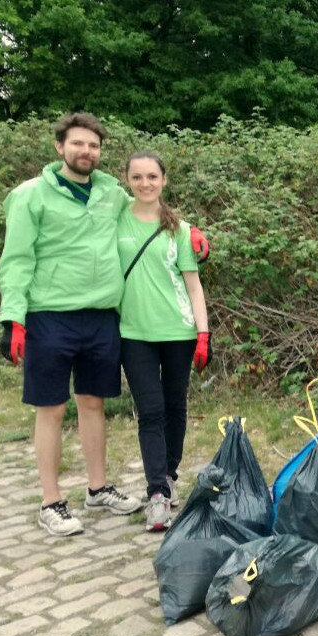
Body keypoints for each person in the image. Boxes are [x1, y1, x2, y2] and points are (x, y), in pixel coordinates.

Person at [0, 112, 143, 536]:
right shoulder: (30, 196)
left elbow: (146, 211)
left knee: (94, 403)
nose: (86, 152)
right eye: (78, 144)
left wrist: (186, 234)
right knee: (52, 408)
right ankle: (51, 501)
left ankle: (97, 488)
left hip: (100, 316)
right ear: (59, 147)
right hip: (49, 316)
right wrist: (13, 319)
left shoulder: (110, 193)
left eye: (94, 146)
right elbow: (17, 260)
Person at [117, 151, 211, 532]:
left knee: (175, 406)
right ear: (126, 180)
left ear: (164, 180)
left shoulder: (179, 229)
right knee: (150, 410)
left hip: (178, 331)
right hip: (132, 333)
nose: (145, 183)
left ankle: (169, 475)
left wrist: (203, 333)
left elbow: (193, 285)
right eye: (137, 177)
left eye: (152, 176)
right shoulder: (115, 217)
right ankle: (156, 493)